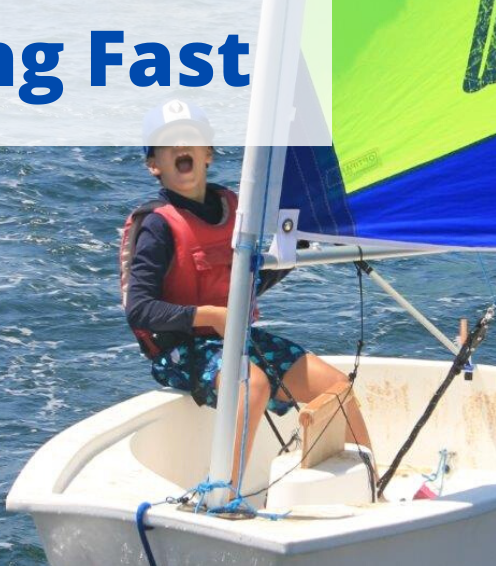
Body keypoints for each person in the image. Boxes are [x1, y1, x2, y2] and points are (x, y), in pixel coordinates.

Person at [122, 99, 372, 489]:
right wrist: (210, 316)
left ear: (208, 153)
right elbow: (140, 309)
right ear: (154, 165)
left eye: (190, 138)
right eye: (168, 143)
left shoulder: (235, 209)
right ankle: (224, 494)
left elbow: (248, 282)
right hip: (181, 350)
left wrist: (295, 247)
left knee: (337, 389)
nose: (180, 146)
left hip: (236, 338)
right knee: (253, 386)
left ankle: (371, 485)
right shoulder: (157, 226)